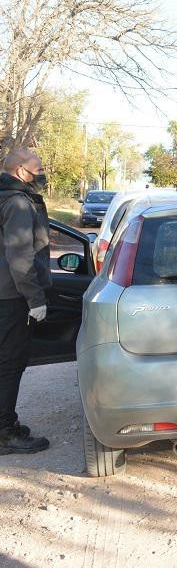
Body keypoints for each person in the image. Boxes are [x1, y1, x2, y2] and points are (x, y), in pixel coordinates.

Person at [0, 150, 52, 455]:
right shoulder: (18, 203)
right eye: (38, 169)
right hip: (12, 296)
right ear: (21, 171)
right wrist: (35, 298)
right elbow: (21, 257)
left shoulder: (6, 197)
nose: (41, 174)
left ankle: (6, 423)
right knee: (10, 364)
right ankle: (6, 434)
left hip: (4, 292)